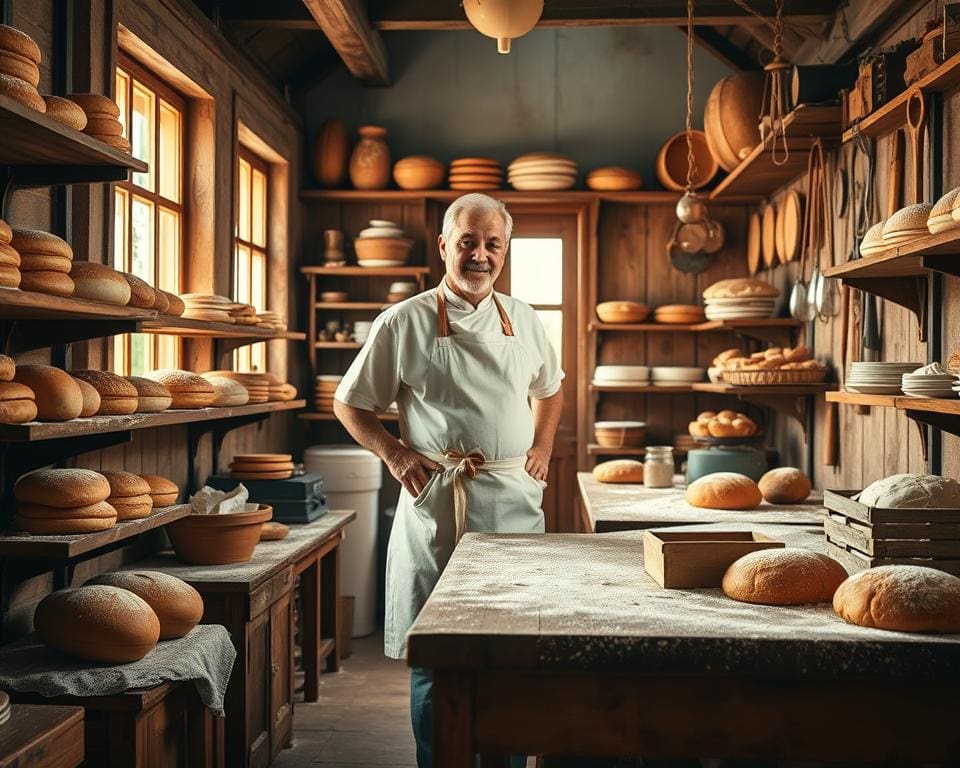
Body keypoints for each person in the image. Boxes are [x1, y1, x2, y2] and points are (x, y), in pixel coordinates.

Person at [333, 192, 564, 767]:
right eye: (468, 242)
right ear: (443, 246)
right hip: (439, 504)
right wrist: (394, 453)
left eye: (493, 244)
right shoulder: (404, 321)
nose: (480, 255)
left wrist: (542, 447)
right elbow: (350, 403)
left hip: (512, 503)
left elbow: (551, 388)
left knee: (510, 651)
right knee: (438, 655)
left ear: (505, 250)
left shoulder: (526, 318)